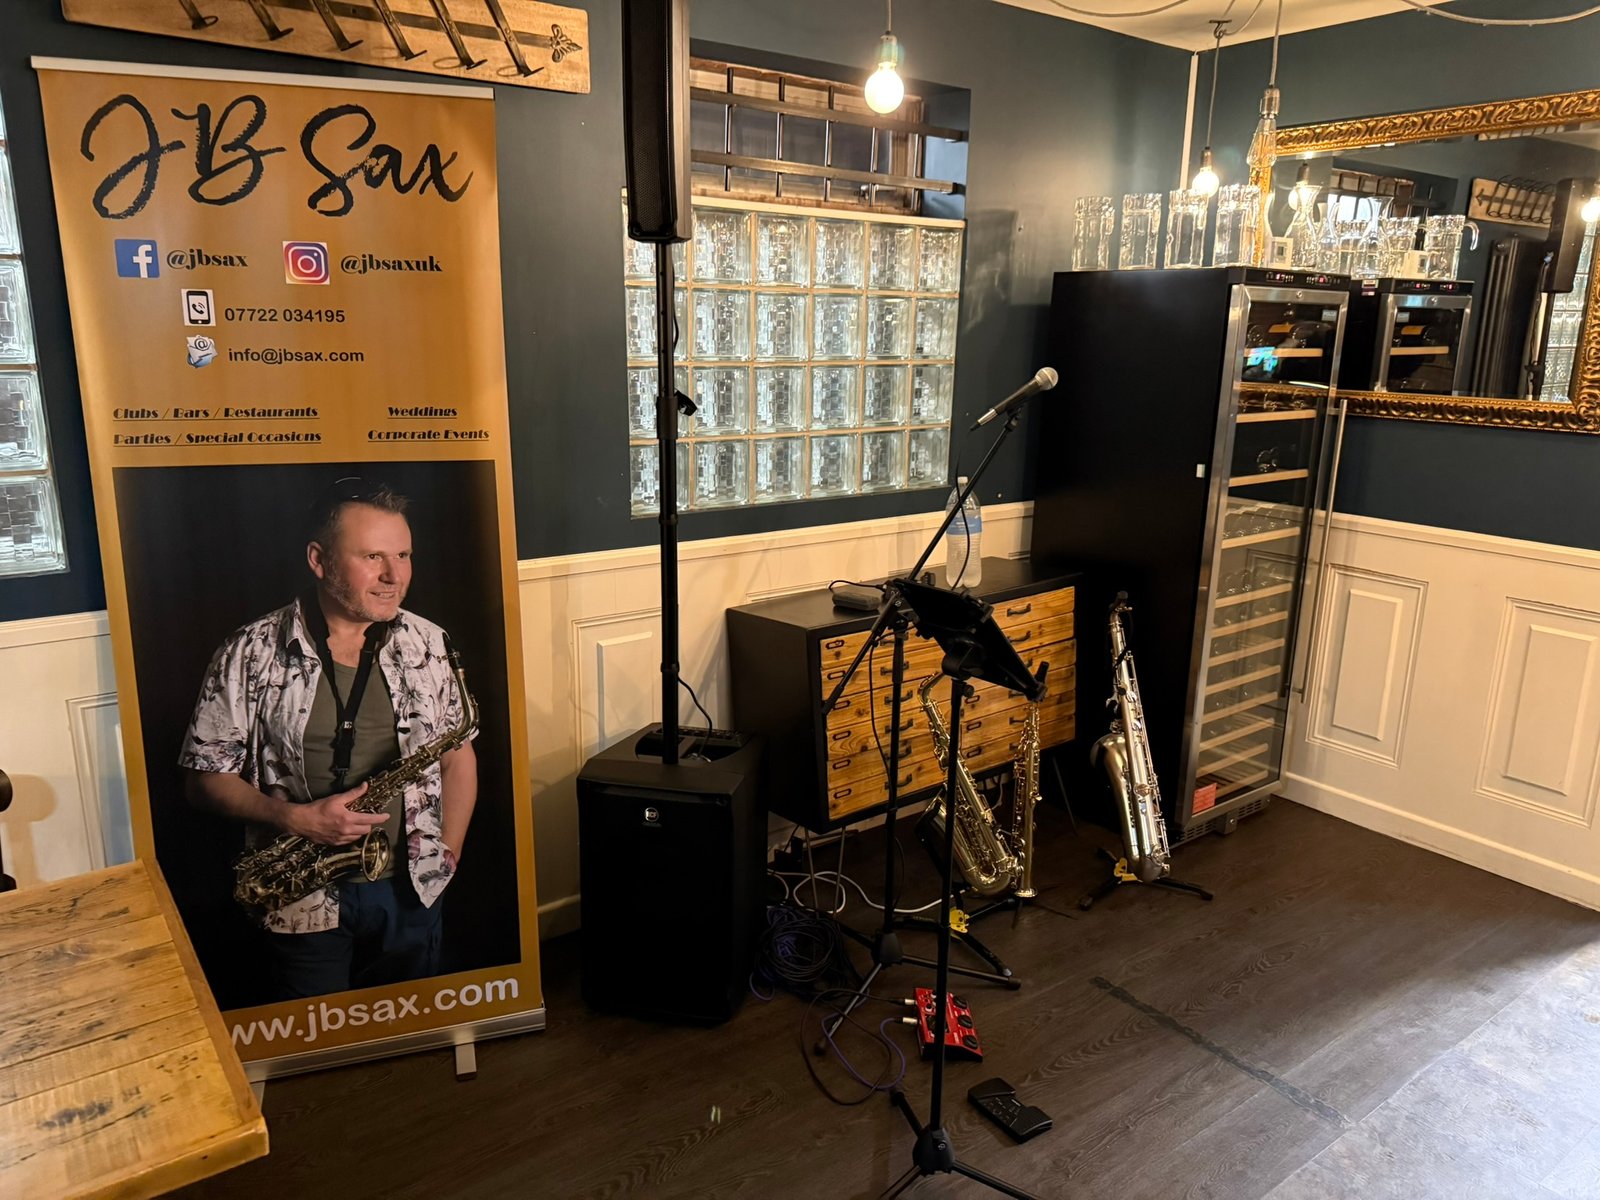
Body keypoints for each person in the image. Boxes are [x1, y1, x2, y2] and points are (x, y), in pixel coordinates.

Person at [181, 478, 477, 999]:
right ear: (319, 560)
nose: (394, 576)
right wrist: (294, 819)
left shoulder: (430, 642)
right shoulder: (249, 650)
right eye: (372, 556)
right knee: (318, 1040)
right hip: (298, 894)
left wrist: (447, 853)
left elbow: (457, 756)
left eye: (403, 555)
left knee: (412, 1033)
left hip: (412, 892)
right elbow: (203, 782)